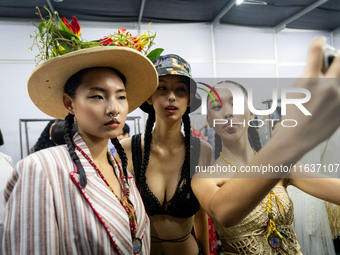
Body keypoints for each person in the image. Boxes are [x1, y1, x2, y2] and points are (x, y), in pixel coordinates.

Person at [3, 22, 159, 254]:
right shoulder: (42, 169)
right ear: (70, 103)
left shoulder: (120, 168)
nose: (113, 108)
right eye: (97, 96)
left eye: (121, 97)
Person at [191, 36, 340, 254]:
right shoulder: (204, 178)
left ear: (251, 113)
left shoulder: (285, 167)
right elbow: (222, 211)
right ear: (210, 120)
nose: (228, 111)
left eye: (236, 102)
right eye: (217, 106)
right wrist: (289, 141)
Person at [120, 54, 211, 254]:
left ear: (189, 100)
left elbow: (200, 214)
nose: (171, 96)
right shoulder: (128, 149)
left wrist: (206, 252)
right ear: (149, 96)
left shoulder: (202, 150)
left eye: (180, 89)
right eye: (162, 87)